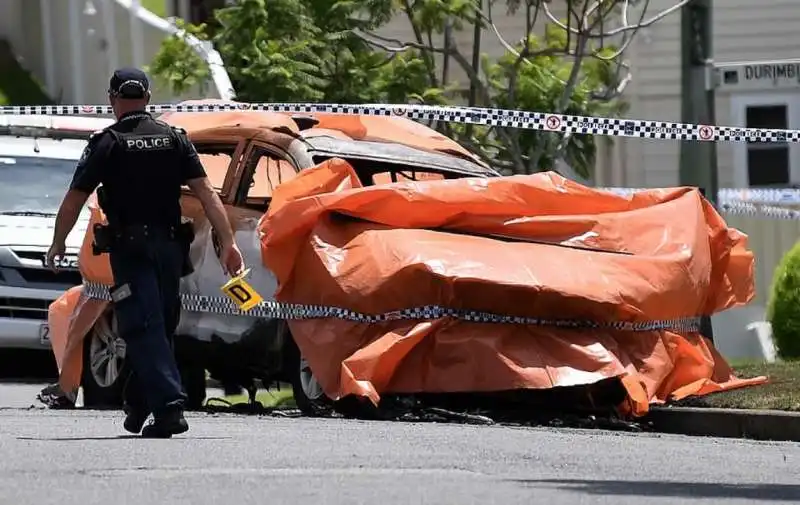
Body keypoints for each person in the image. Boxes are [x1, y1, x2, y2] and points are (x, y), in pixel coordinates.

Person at [46, 67, 245, 438]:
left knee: (142, 324)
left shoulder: (107, 142)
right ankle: (138, 403)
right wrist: (228, 242)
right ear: (149, 99)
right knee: (160, 324)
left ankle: (168, 408)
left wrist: (58, 242)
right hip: (171, 248)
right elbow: (207, 194)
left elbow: (74, 199)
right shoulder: (174, 138)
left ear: (112, 100)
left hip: (131, 250)